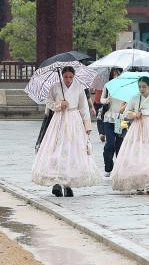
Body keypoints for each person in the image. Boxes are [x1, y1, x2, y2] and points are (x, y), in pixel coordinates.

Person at [31, 66, 101, 196]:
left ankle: (68, 183)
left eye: (70, 77)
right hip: (59, 120)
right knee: (57, 149)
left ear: (74, 76)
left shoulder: (79, 88)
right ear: (62, 76)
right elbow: (49, 102)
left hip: (74, 119)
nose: (68, 79)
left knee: (72, 150)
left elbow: (84, 108)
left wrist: (87, 126)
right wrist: (59, 105)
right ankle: (57, 182)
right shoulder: (55, 87)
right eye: (65, 77)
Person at [111, 76, 149, 194]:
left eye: (144, 87)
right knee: (138, 154)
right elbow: (125, 113)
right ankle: (139, 183)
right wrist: (134, 114)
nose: (141, 89)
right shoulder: (134, 98)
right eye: (139, 87)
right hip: (137, 129)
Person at [98, 68, 126, 177]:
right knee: (110, 144)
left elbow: (130, 102)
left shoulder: (125, 87)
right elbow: (101, 99)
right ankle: (108, 167)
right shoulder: (108, 86)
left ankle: (120, 168)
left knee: (120, 144)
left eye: (118, 74)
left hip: (121, 119)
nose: (116, 76)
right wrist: (106, 100)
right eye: (114, 74)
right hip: (109, 118)